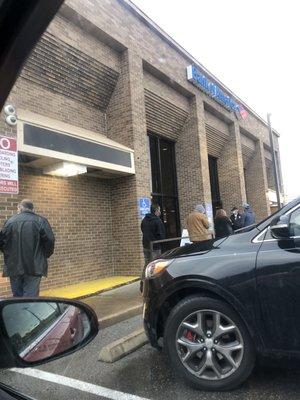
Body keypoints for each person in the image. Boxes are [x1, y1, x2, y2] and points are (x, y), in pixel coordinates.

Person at [0, 199, 55, 297]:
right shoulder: (40, 220)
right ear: (32, 209)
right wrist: (44, 255)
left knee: (17, 296)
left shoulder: (9, 222)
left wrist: (9, 256)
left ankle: (19, 312)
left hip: (14, 266)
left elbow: (2, 242)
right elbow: (50, 240)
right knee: (31, 298)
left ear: (20, 208)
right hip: (34, 266)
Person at [141, 203, 165, 268]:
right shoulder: (157, 221)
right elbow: (161, 235)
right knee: (155, 265)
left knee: (147, 263)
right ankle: (155, 278)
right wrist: (161, 244)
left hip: (145, 245)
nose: (160, 212)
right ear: (156, 211)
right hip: (155, 246)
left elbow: (142, 230)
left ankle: (145, 277)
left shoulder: (144, 220)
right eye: (159, 210)